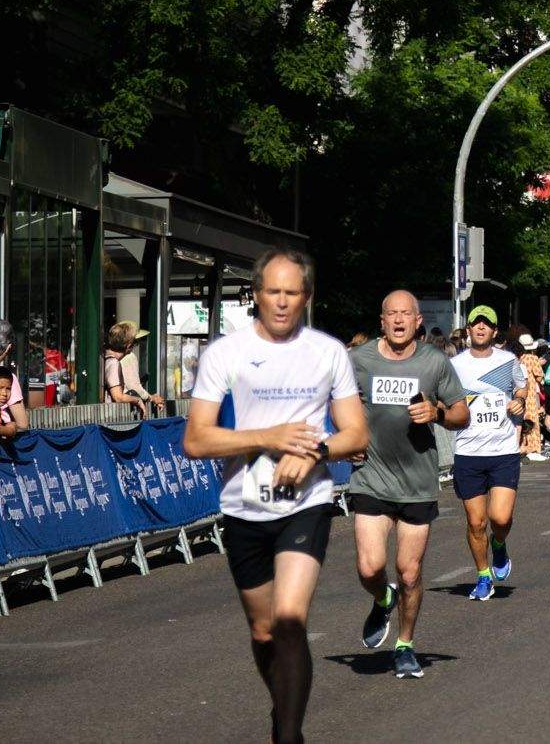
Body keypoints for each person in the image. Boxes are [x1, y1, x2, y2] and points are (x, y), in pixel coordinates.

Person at [183, 249, 368, 743]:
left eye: (292, 293)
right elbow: (196, 439)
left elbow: (356, 434)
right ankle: (282, 705)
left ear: (306, 297)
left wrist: (316, 451)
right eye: (272, 292)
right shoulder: (225, 353)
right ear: (256, 294)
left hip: (307, 503)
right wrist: (268, 437)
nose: (282, 303)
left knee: (289, 620)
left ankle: (288, 734)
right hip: (244, 505)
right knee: (264, 631)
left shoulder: (328, 352)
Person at [350, 290, 466, 677]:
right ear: (381, 320)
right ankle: (383, 597)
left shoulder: (434, 362)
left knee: (410, 572)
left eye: (406, 314)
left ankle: (405, 645)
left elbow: (461, 414)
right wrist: (348, 439)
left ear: (418, 321)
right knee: (369, 568)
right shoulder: (359, 360)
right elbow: (337, 406)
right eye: (391, 314)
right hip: (372, 477)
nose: (399, 320)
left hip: (417, 481)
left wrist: (437, 412)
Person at [453, 307, 530, 601]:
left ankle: (499, 544)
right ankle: (483, 575)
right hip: (468, 451)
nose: (481, 327)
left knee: (499, 517)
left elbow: (522, 389)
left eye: (487, 324)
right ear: (469, 329)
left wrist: (519, 402)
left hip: (503, 449)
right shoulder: (455, 365)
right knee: (475, 523)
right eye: (476, 323)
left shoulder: (508, 361)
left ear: (495, 332)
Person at [103, 320, 157, 417]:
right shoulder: (113, 363)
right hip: (109, 418)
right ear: (128, 346)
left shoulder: (106, 357)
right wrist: (137, 400)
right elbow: (118, 397)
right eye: (135, 342)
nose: (136, 345)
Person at [517, 335, 550, 463]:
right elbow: (539, 376)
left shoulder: (518, 359)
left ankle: (522, 446)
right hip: (531, 393)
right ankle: (534, 449)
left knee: (522, 422)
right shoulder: (533, 358)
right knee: (533, 422)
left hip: (519, 394)